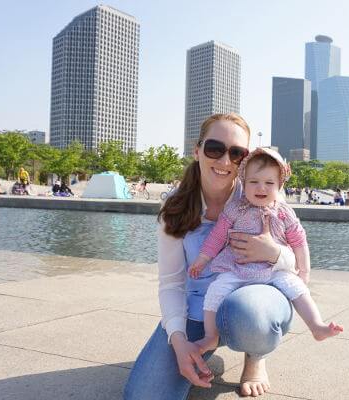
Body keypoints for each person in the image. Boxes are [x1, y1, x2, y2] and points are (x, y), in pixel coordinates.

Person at [124, 113, 299, 399]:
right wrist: (179, 342)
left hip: (251, 301)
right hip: (197, 310)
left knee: (251, 315)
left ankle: (255, 356)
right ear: (197, 150)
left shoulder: (262, 191)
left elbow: (297, 261)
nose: (225, 161)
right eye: (215, 149)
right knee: (143, 396)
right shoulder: (176, 205)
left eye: (237, 153)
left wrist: (274, 252)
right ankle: (202, 344)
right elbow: (171, 283)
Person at [188, 148, 343, 353]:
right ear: (243, 182)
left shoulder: (283, 211)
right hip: (236, 268)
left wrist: (304, 270)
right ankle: (210, 336)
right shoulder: (235, 208)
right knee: (215, 290)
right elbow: (217, 237)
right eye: (254, 182)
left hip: (273, 270)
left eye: (269, 183)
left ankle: (316, 326)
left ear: (280, 185)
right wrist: (202, 259)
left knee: (297, 288)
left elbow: (299, 241)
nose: (261, 187)